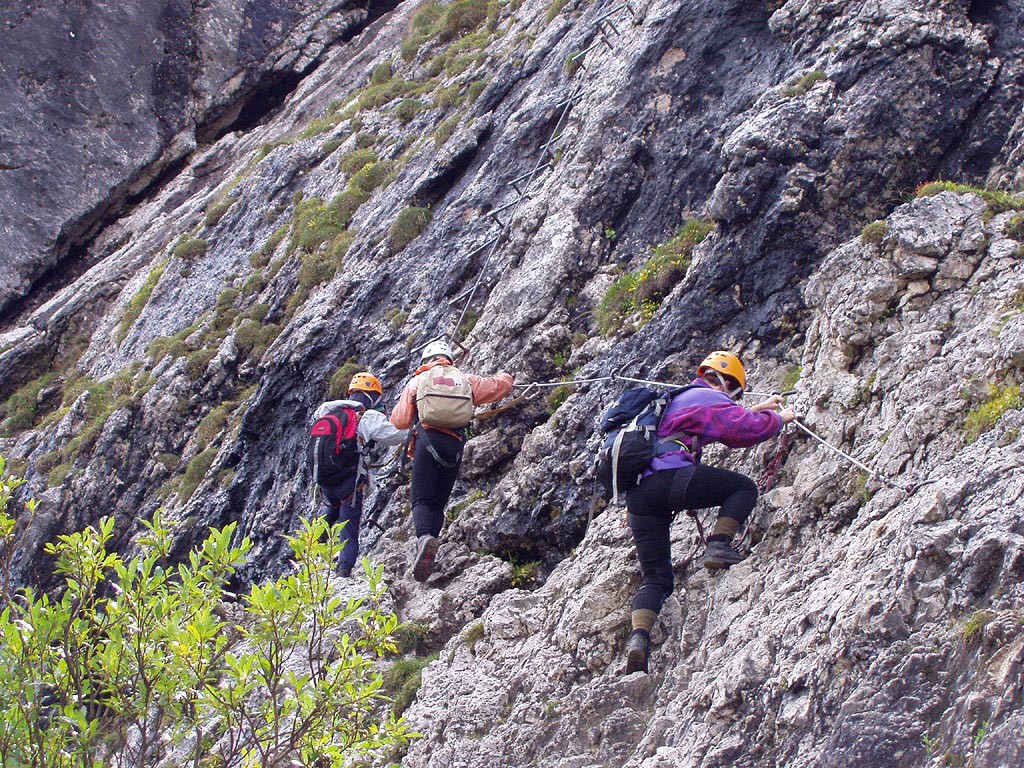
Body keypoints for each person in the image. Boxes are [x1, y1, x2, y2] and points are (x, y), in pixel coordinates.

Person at [623, 350, 796, 674]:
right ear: (726, 381)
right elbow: (739, 429)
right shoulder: (705, 395)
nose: (735, 398)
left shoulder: (677, 401)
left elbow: (721, 422)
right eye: (736, 393)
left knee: (657, 578)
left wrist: (757, 410)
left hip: (639, 497)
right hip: (671, 479)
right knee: (743, 488)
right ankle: (718, 545)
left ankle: (638, 640)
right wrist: (777, 420)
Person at [390, 339, 513, 582]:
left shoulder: (418, 381)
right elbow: (497, 387)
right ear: (449, 359)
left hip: (427, 440)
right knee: (438, 503)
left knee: (421, 499)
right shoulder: (464, 379)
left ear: (426, 361)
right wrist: (507, 377)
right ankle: (429, 551)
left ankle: (425, 539)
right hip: (454, 444)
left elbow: (400, 421)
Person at [312, 372, 407, 577]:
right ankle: (343, 570)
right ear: (372, 396)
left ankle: (310, 544)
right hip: (349, 481)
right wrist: (418, 426)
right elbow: (395, 435)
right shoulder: (366, 416)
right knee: (348, 526)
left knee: (333, 508)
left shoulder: (326, 413)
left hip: (325, 479)